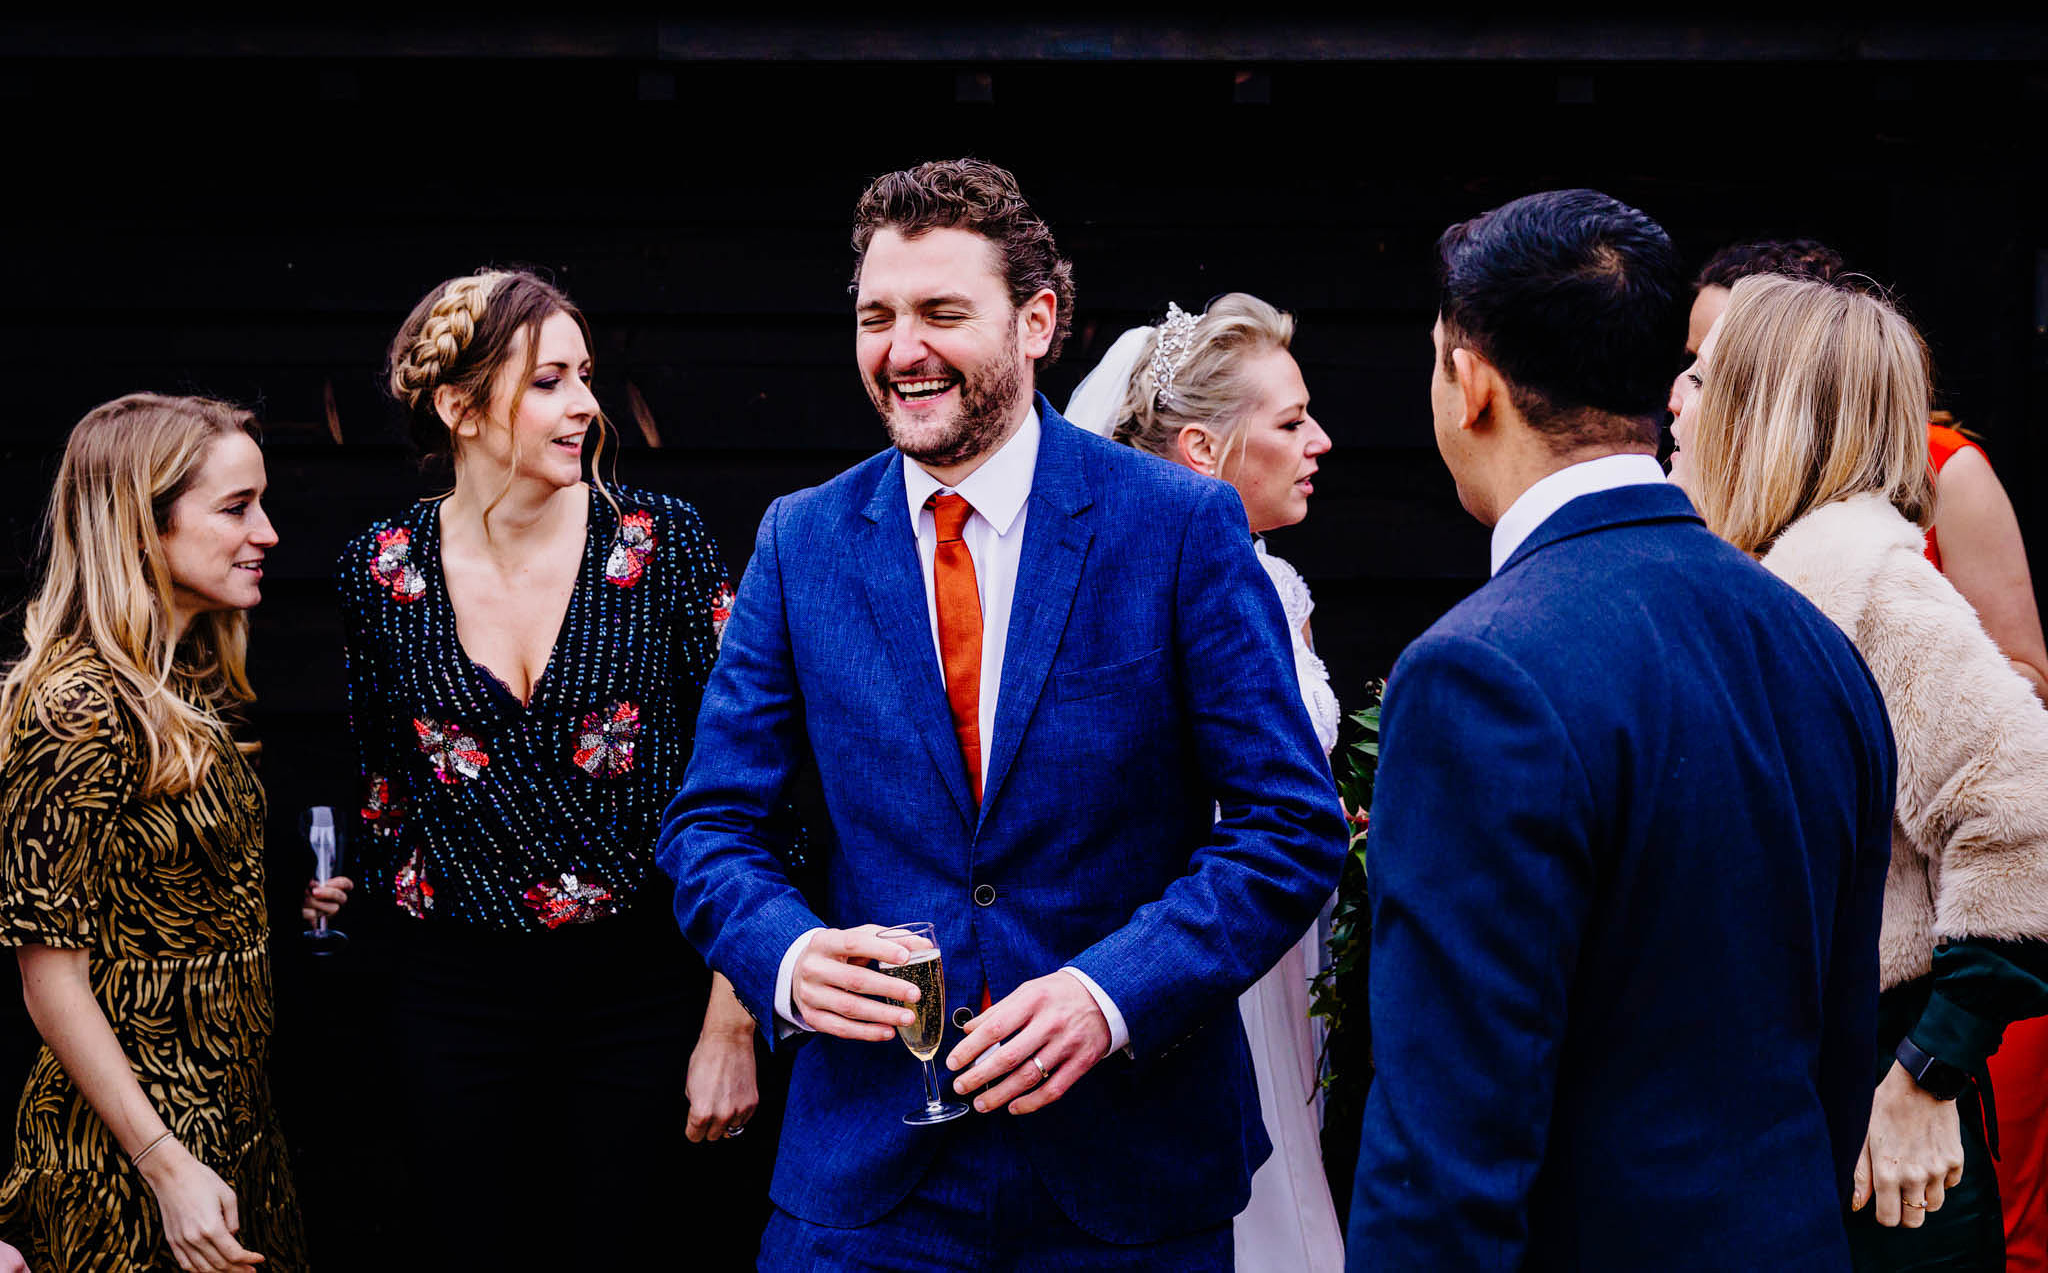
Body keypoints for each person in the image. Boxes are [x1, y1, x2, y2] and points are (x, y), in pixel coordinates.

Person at [657, 158, 1346, 1269]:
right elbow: (709, 828)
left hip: (1127, 1174)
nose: (900, 349)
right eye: (876, 316)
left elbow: (1288, 825)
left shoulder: (1176, 528)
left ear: (1035, 322)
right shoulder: (801, 539)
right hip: (867, 1179)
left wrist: (1108, 994)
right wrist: (784, 957)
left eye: (941, 312)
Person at [1348, 190, 1896, 1271]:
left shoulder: (1480, 671)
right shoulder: (1810, 642)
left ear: (1472, 386)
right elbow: (1836, 1049)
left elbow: (1448, 1130)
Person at [337, 269, 757, 1269]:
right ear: (460, 407)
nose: (584, 407)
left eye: (585, 377)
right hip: (454, 1001)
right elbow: (386, 793)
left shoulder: (658, 542)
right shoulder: (379, 569)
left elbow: (752, 776)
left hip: (642, 991)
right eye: (548, 382)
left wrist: (729, 1022)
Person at [1673, 273, 2048, 1272]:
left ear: (1768, 407)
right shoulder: (1763, 570)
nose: (1673, 402)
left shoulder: (1865, 580)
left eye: (1702, 379)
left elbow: (2027, 812)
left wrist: (1924, 1069)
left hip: (1875, 1126)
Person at [1065, 292, 1342, 1273]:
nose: (1319, 439)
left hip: (1289, 941)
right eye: (1288, 420)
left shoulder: (1281, 586)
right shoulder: (1148, 587)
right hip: (1200, 933)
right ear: (1199, 451)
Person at [0, 394, 310, 1271]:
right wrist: (164, 1165)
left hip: (234, 1134)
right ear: (143, 524)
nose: (269, 532)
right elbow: (47, 974)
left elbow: (154, 893)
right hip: (129, 1161)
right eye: (235, 507)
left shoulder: (180, 686)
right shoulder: (77, 705)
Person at [1673, 238, 2048, 703]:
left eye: (1721, 374)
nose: (1680, 394)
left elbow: (2027, 677)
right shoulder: (1687, 478)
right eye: (1694, 362)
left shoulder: (1943, 465)